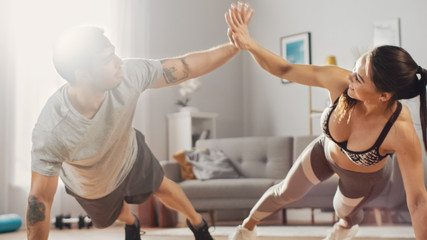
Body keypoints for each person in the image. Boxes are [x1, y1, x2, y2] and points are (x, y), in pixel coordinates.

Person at [225, 3, 427, 240]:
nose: (349, 76)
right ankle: (246, 228)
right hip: (326, 151)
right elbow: (285, 69)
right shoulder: (340, 82)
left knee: (342, 210)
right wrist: (250, 44)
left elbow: (417, 202)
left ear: (384, 96)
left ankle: (345, 226)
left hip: (363, 178)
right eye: (354, 67)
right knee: (285, 192)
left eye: (359, 78)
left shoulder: (399, 129)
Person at [26, 23, 246, 240]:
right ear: (82, 75)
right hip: (91, 183)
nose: (119, 62)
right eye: (107, 59)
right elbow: (40, 201)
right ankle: (132, 222)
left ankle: (199, 224)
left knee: (164, 188)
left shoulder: (128, 74)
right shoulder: (52, 130)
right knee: (111, 218)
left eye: (114, 54)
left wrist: (235, 46)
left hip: (129, 153)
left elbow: (185, 66)